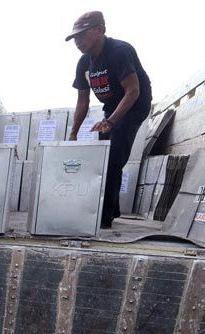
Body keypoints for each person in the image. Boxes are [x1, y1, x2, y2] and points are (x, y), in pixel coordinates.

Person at [66, 11, 152, 229]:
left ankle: (103, 219)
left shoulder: (120, 51)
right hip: (112, 107)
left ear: (100, 31)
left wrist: (111, 122)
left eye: (82, 35)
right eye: (75, 38)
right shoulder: (84, 63)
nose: (78, 42)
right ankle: (113, 209)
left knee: (114, 158)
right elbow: (82, 101)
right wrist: (74, 132)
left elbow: (133, 91)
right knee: (104, 156)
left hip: (135, 104)